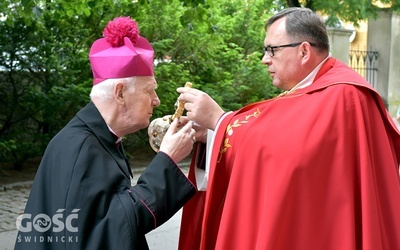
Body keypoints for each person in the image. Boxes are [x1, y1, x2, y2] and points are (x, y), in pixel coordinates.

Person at [177, 7, 400, 250]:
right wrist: (211, 135)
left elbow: (292, 157)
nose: (265, 59)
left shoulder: (345, 96)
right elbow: (279, 137)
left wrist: (219, 121)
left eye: (272, 50)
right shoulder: (316, 90)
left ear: (304, 51)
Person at [14, 16, 197, 250]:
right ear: (120, 93)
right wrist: (167, 159)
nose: (156, 101)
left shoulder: (99, 137)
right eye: (149, 91)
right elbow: (111, 230)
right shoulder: (81, 147)